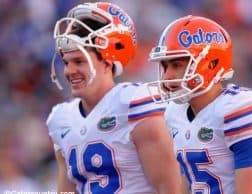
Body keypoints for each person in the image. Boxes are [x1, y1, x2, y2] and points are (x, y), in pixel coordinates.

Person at [46, 2, 182, 194]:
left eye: (79, 61)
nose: (69, 71)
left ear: (108, 61)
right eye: (66, 62)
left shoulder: (135, 105)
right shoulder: (61, 119)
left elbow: (172, 188)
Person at [146, 15, 252, 194]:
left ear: (211, 64)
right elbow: (188, 182)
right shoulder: (174, 113)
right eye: (165, 66)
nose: (167, 75)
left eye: (176, 65)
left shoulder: (241, 108)